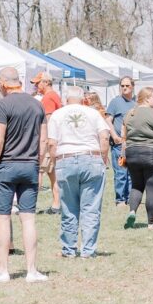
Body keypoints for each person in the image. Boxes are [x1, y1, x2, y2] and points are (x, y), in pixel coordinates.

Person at [0, 67, 49, 283]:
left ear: (4, 83)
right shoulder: (37, 104)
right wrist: (38, 165)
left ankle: (3, 270)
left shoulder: (3, 105)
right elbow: (43, 141)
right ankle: (32, 270)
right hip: (29, 165)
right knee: (28, 218)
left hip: (6, 165)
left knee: (2, 218)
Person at [48, 92, 110, 258]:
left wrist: (55, 162)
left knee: (68, 208)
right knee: (91, 208)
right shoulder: (93, 113)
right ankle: (88, 250)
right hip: (91, 157)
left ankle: (69, 249)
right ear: (84, 100)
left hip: (65, 158)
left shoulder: (57, 114)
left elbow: (52, 143)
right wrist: (103, 158)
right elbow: (104, 137)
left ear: (65, 100)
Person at [120, 87, 153, 230]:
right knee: (152, 188)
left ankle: (132, 212)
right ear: (146, 98)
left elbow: (123, 137)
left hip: (133, 153)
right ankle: (151, 223)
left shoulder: (129, 114)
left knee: (136, 186)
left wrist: (123, 155)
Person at [32, 72, 63, 214]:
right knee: (52, 173)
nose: (36, 86)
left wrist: (43, 141)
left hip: (48, 140)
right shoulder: (54, 95)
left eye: (37, 83)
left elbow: (48, 121)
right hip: (54, 140)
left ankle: (30, 205)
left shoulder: (48, 97)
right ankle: (56, 205)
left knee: (38, 171)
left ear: (46, 82)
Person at [107, 77, 137, 207]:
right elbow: (108, 120)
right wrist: (114, 135)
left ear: (132, 87)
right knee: (121, 173)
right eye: (122, 85)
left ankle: (130, 199)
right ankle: (120, 200)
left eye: (127, 85)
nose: (124, 88)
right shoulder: (115, 102)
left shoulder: (136, 103)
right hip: (120, 145)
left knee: (132, 173)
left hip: (133, 143)